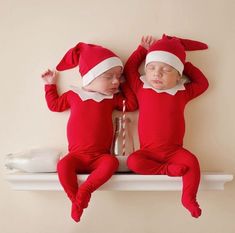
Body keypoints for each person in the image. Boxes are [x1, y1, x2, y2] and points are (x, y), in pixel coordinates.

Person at [41, 42, 138, 222]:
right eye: (109, 77)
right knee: (63, 166)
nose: (116, 81)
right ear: (89, 77)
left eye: (119, 76)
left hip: (100, 156)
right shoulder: (73, 95)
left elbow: (132, 105)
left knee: (111, 164)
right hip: (76, 155)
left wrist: (124, 86)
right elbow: (54, 106)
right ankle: (75, 200)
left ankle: (85, 191)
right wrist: (50, 85)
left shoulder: (111, 99)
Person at [124, 34, 209, 218]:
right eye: (152, 68)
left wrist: (182, 61)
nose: (157, 73)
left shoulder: (182, 92)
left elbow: (203, 83)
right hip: (148, 152)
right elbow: (129, 69)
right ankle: (166, 170)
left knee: (192, 162)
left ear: (179, 76)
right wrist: (141, 51)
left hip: (174, 151)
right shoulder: (141, 88)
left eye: (166, 69)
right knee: (133, 161)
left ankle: (188, 198)